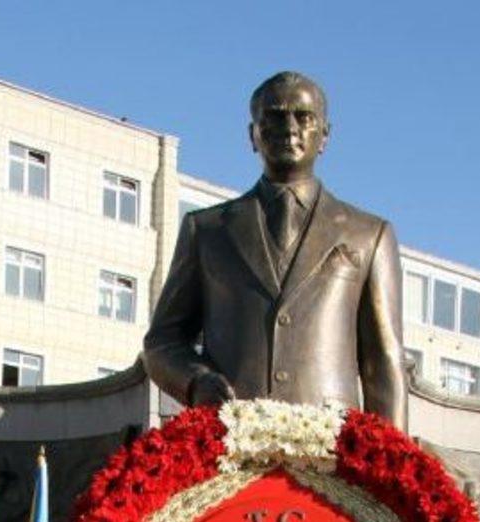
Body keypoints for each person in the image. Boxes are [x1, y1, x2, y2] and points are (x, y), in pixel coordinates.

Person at [144, 71, 407, 430]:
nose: (290, 127)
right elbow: (161, 342)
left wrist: (393, 469)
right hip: (229, 441)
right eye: (274, 116)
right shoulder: (206, 230)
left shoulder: (369, 234)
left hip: (334, 446)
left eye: (304, 116)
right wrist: (197, 381)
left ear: (325, 135)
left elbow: (384, 360)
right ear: (253, 135)